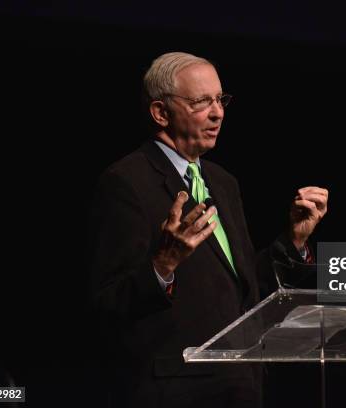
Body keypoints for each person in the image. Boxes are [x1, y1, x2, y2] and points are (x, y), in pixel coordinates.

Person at [88, 51, 328, 408]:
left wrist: (294, 238)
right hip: (175, 393)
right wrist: (162, 265)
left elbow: (242, 291)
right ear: (160, 112)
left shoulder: (222, 182)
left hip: (240, 387)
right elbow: (106, 301)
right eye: (201, 102)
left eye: (220, 99)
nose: (218, 113)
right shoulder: (126, 182)